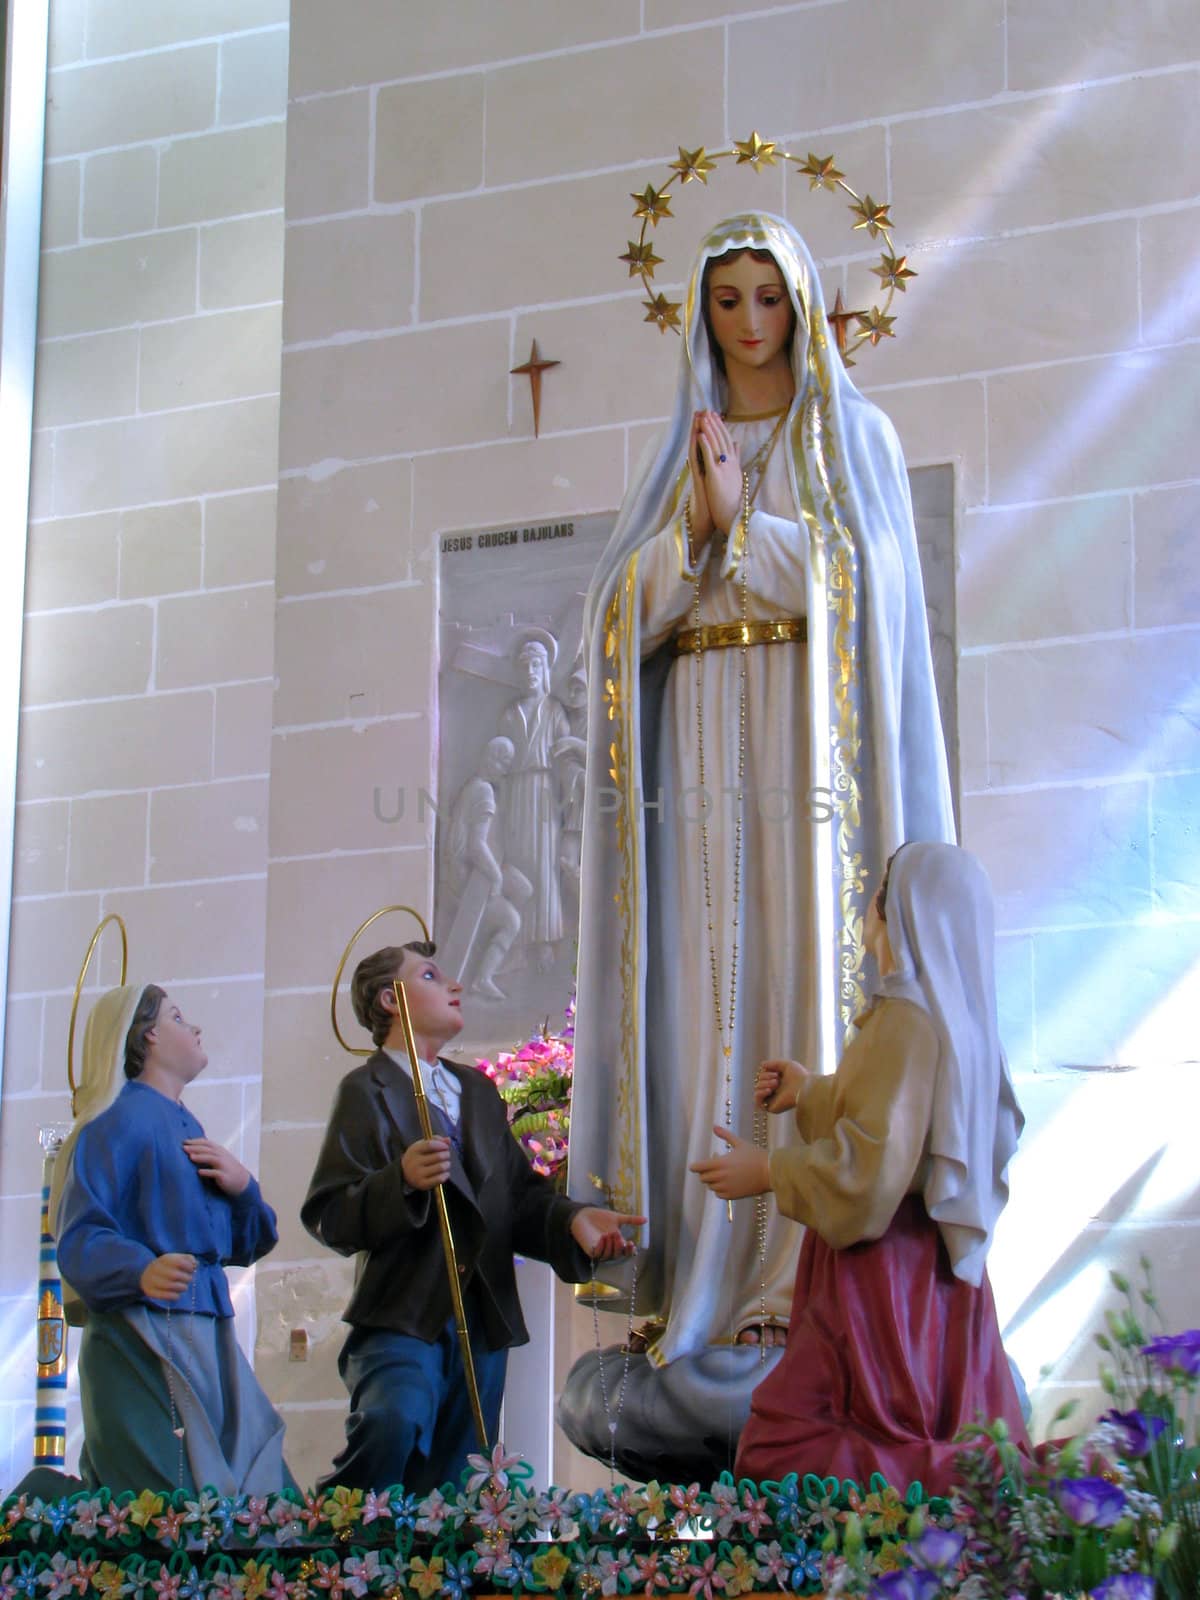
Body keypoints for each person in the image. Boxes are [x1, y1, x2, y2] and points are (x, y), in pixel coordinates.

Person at [568, 213, 956, 1373]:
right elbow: (622, 612)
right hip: (698, 737)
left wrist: (746, 525)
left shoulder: (854, 435)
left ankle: (794, 1284)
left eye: (768, 298)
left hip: (808, 740)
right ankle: (700, 1269)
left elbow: (868, 584)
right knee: (698, 994)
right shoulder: (681, 448)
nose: (747, 324)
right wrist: (694, 532)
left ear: (802, 303)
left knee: (802, 972)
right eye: (726, 300)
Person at [693, 842, 1028, 1494]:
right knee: (921, 1423)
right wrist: (811, 1093)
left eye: (879, 889)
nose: (869, 903)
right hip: (930, 1275)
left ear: (900, 910)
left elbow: (873, 1174)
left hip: (881, 1278)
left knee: (806, 1444)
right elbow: (908, 1125)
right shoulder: (944, 1017)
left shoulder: (905, 1020)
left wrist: (768, 1170)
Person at [302, 941, 644, 1494]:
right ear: (392, 999)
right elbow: (329, 1214)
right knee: (392, 1423)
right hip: (404, 1310)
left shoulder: (478, 1092)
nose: (455, 986)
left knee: (461, 1471)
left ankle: (435, 1575)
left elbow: (518, 1197)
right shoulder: (366, 1091)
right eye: (433, 976)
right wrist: (400, 1182)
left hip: (480, 1315)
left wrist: (572, 1221)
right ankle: (340, 1548)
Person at [50, 984, 290, 1494]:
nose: (195, 1028)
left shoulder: (186, 1125)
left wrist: (243, 1187)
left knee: (246, 1470)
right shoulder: (117, 1124)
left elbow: (243, 1242)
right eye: (179, 1018)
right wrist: (140, 1269)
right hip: (144, 1334)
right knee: (173, 1485)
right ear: (150, 1036)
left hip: (206, 1332)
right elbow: (81, 1234)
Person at [497, 630, 571, 969]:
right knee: (519, 863)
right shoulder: (510, 713)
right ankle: (519, 942)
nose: (530, 672)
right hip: (515, 793)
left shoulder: (555, 710)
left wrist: (568, 796)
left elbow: (566, 754)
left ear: (546, 670)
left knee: (544, 867)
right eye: (524, 665)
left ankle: (545, 940)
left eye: (536, 665)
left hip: (543, 793)